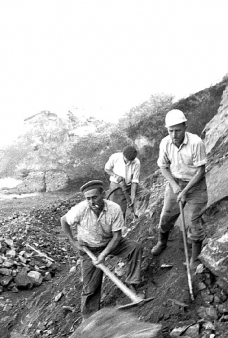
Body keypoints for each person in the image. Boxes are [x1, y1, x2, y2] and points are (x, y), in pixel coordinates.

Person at [60, 180, 143, 319]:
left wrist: (104, 254)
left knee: (135, 248)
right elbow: (63, 220)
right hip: (90, 248)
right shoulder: (80, 210)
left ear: (103, 194)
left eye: (94, 197)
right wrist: (73, 241)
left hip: (110, 242)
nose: (92, 201)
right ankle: (89, 318)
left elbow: (117, 237)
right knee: (90, 287)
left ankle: (132, 283)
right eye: (88, 199)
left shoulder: (114, 209)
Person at [151, 109, 208, 268]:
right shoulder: (165, 143)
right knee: (166, 217)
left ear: (185, 126)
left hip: (196, 184)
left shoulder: (196, 143)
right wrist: (176, 187)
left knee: (194, 222)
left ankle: (194, 259)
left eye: (178, 130)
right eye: (170, 131)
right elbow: (163, 167)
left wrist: (185, 191)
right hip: (175, 182)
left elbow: (201, 171)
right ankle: (162, 242)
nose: (174, 135)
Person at [104, 145, 149, 218]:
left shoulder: (136, 162)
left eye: (130, 161)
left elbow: (135, 181)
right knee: (119, 211)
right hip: (116, 186)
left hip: (129, 185)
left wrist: (133, 196)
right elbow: (107, 169)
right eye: (126, 159)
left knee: (145, 193)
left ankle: (138, 215)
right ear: (123, 154)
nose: (128, 162)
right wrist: (116, 176)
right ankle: (119, 226)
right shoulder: (115, 157)